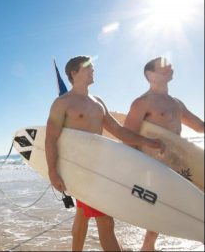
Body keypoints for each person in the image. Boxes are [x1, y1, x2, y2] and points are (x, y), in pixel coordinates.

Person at [45, 55, 165, 251]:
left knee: (82, 216)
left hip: (98, 167)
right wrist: (52, 171)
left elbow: (118, 131)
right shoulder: (62, 103)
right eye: (88, 68)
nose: (93, 70)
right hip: (80, 170)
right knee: (106, 222)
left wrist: (147, 142)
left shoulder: (97, 101)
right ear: (74, 73)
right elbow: (50, 139)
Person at [124, 56, 204, 251]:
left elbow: (199, 126)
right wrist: (133, 169)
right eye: (163, 67)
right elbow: (127, 135)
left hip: (179, 162)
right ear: (150, 75)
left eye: (170, 65)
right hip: (155, 165)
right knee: (159, 208)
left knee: (197, 201)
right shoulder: (142, 102)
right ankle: (148, 246)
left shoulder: (176, 103)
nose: (170, 67)